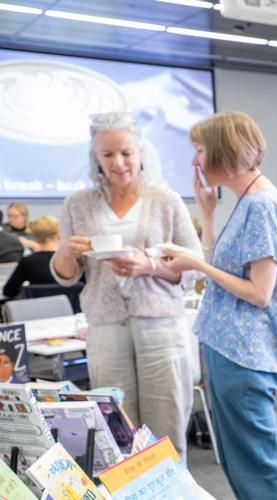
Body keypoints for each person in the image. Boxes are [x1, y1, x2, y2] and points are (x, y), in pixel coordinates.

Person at [160, 111, 277, 500]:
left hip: (245, 353)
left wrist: (195, 263)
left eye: (200, 150)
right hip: (233, 350)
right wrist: (206, 212)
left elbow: (259, 292)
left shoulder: (260, 205)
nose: (194, 161)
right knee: (244, 463)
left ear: (222, 151)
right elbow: (220, 268)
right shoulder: (249, 202)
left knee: (259, 464)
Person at [49, 111, 200, 460]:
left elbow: (194, 265)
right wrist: (65, 252)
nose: (118, 163)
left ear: (141, 152)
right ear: (95, 157)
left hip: (160, 324)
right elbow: (65, 275)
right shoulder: (77, 203)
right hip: (105, 326)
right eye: (107, 154)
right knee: (118, 432)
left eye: (126, 153)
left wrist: (148, 266)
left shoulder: (166, 200)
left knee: (167, 427)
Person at [3, 216, 62, 298]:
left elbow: (9, 291)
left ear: (35, 236)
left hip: (37, 309)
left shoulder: (28, 262)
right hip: (71, 309)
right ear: (58, 235)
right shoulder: (73, 262)